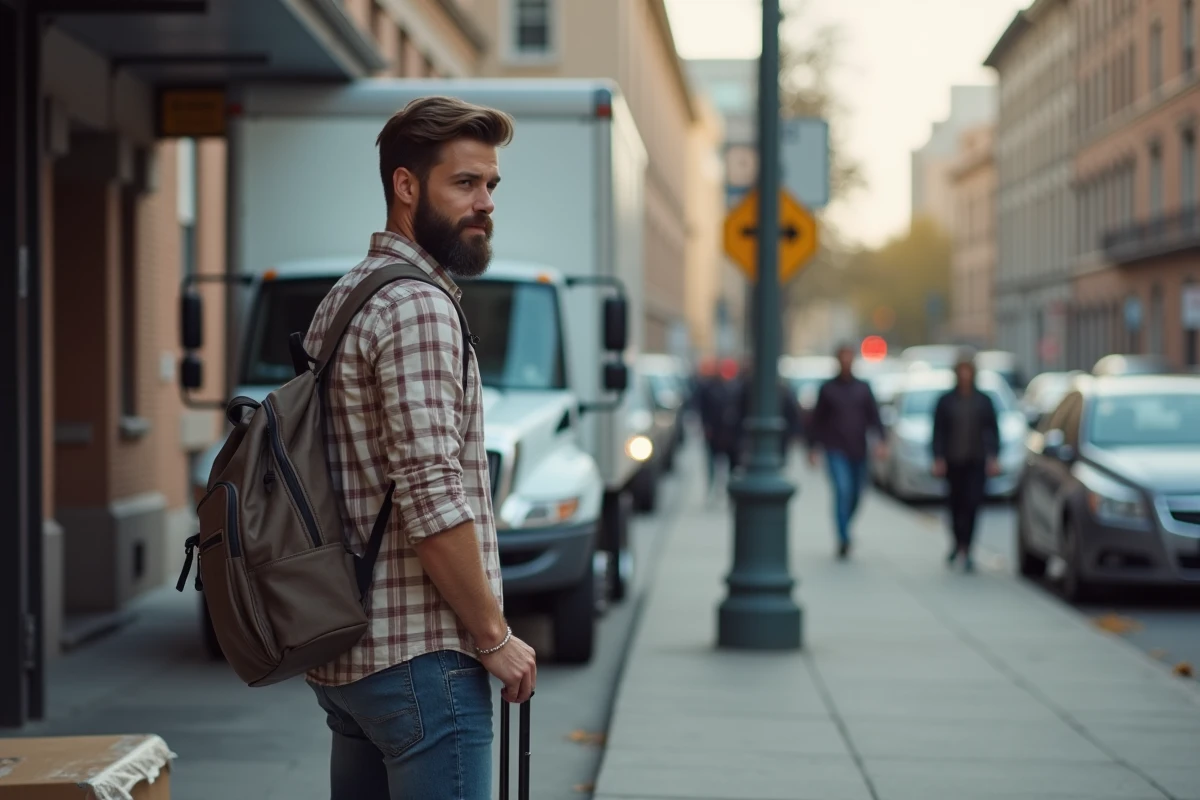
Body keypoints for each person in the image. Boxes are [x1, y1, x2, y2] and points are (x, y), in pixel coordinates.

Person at [300, 96, 537, 799]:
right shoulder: (418, 306)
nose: (486, 201)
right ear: (406, 186)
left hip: (351, 660)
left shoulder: (347, 296)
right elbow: (431, 494)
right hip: (423, 662)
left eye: (491, 184)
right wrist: (493, 637)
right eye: (465, 183)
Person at [805, 344, 887, 559]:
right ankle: (843, 537)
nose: (846, 362)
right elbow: (816, 422)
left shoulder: (863, 388)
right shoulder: (828, 389)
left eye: (849, 358)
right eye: (843, 358)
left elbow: (874, 417)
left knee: (857, 494)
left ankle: (845, 525)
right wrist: (812, 448)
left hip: (858, 449)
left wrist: (881, 441)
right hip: (835, 448)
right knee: (843, 490)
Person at [931, 349, 1001, 572]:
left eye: (967, 371)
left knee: (972, 504)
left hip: (976, 460)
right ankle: (957, 542)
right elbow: (938, 432)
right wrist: (938, 458)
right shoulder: (945, 401)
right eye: (961, 371)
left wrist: (994, 457)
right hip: (953, 461)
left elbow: (993, 430)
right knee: (954, 505)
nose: (964, 375)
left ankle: (967, 548)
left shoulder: (983, 400)